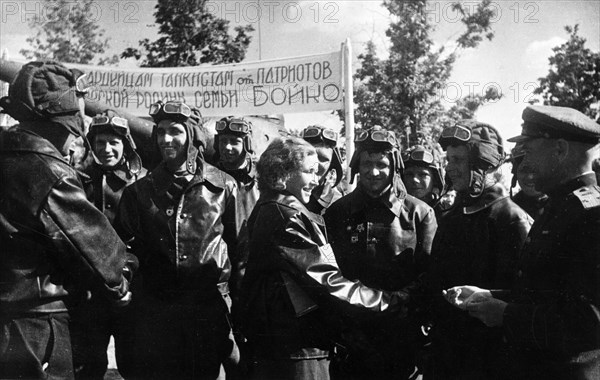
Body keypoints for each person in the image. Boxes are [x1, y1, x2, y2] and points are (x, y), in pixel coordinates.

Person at [445, 105, 600, 379]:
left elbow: (590, 322)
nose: (524, 160)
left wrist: (505, 314)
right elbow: (543, 294)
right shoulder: (559, 207)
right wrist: (491, 297)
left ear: (560, 149)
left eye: (529, 148)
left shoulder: (591, 216)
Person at [0, 61, 132, 379]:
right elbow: (98, 250)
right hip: (35, 326)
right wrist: (121, 284)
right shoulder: (50, 171)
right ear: (61, 122)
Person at [241, 137, 410, 380]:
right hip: (296, 349)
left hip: (289, 344)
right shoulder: (284, 215)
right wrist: (391, 302)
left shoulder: (275, 207)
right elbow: (328, 282)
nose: (316, 180)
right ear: (283, 173)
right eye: (309, 171)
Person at [114, 100, 239, 379]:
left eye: (175, 131)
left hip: (207, 308)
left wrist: (241, 308)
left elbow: (241, 249)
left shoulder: (224, 186)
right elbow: (125, 248)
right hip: (157, 311)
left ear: (192, 136)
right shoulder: (139, 192)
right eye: (160, 132)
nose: (166, 139)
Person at [324, 127, 437, 379]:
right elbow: (327, 271)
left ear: (394, 167)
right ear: (357, 166)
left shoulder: (420, 213)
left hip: (402, 337)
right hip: (351, 338)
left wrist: (398, 301)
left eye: (382, 164)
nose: (373, 172)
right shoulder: (336, 213)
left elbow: (430, 272)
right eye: (366, 163)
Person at [425, 120, 532, 379]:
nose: (450, 168)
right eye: (448, 160)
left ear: (482, 165)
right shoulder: (451, 219)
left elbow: (526, 297)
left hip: (492, 360)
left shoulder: (512, 219)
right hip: (448, 357)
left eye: (458, 160)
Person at [70, 110, 147, 379]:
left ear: (125, 144)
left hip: (130, 289)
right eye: (100, 142)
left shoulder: (141, 184)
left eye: (114, 142)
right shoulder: (76, 180)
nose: (106, 149)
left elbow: (146, 238)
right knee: (87, 365)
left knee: (134, 363)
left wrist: (127, 274)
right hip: (89, 291)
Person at [301, 125, 344, 214]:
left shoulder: (339, 205)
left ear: (331, 168)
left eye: (323, 159)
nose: (315, 164)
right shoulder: (282, 198)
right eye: (308, 155)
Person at [509, 144, 547, 220]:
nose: (530, 177)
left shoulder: (566, 206)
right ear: (515, 173)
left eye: (535, 171)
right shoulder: (509, 210)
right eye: (524, 170)